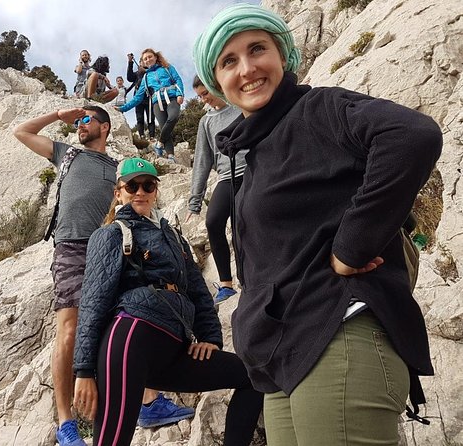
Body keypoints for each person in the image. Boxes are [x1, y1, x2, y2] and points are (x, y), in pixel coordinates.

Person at [193, 4, 441, 446]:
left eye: (257, 49)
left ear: (282, 54)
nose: (247, 68)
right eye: (229, 61)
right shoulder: (255, 157)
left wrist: (351, 247)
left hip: (339, 333)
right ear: (217, 82)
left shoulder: (318, 108)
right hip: (282, 358)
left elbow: (412, 136)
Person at [13, 107, 191, 446]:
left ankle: (149, 402)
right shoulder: (68, 154)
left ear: (105, 127)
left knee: (126, 319)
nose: (80, 126)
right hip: (73, 246)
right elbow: (21, 131)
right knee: (69, 326)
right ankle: (67, 425)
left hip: (116, 247)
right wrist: (58, 115)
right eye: (78, 122)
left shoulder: (120, 169)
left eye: (86, 120)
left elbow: (141, 202)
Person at [72, 157, 263, 446]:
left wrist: (211, 337)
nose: (140, 191)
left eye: (148, 185)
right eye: (132, 185)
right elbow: (93, 300)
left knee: (251, 376)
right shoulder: (111, 234)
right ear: (118, 192)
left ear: (155, 190)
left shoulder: (172, 235)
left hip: (173, 345)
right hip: (130, 338)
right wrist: (84, 370)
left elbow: (198, 291)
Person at [187, 75, 245, 305]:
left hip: (252, 172)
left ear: (216, 86)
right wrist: (195, 201)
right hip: (226, 178)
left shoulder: (241, 106)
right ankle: (226, 285)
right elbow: (202, 160)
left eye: (205, 93)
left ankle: (248, 279)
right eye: (200, 96)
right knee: (213, 222)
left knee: (244, 224)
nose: (204, 100)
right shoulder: (206, 121)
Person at [118, 49, 184, 160]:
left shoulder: (167, 67)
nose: (148, 60)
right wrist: (123, 108)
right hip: (156, 102)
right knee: (164, 127)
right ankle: (170, 156)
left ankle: (159, 143)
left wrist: (180, 93)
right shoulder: (146, 77)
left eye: (150, 57)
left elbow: (178, 80)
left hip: (172, 97)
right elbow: (138, 97)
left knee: (173, 117)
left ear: (155, 57)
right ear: (143, 62)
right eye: (145, 59)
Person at [126, 53, 155, 140]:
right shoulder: (137, 73)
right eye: (140, 61)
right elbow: (129, 77)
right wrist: (130, 62)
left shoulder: (151, 72)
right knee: (140, 118)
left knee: (151, 118)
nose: (141, 63)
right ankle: (142, 135)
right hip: (138, 99)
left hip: (149, 98)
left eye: (143, 61)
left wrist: (146, 71)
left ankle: (152, 136)